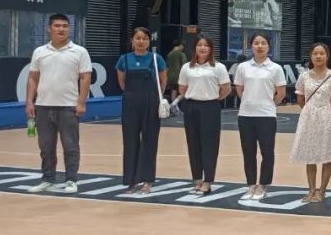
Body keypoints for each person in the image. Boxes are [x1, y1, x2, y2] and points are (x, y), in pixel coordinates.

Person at [24, 13, 91, 194]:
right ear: (49, 28)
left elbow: (85, 78)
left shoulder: (79, 51)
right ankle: (47, 179)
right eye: (57, 26)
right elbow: (33, 77)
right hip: (43, 106)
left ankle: (71, 180)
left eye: (65, 26)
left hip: (68, 106)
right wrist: (29, 101)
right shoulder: (40, 52)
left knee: (70, 146)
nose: (61, 29)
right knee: (45, 146)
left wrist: (81, 102)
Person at [233, 33, 286, 201]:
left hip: (266, 116)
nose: (260, 46)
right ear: (251, 46)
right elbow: (239, 89)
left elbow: (281, 93)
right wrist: (249, 102)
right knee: (248, 152)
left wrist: (268, 104)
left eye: (263, 43)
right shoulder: (243, 67)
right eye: (256, 43)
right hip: (246, 115)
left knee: (267, 152)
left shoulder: (275, 68)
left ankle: (263, 184)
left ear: (269, 46)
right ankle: (251, 185)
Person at [116, 27, 167, 194]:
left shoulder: (156, 59)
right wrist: (133, 95)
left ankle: (148, 180)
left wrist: (153, 98)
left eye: (145, 38)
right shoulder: (124, 59)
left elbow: (162, 82)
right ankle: (131, 181)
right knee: (130, 141)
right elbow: (122, 82)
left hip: (151, 103)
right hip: (130, 103)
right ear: (132, 40)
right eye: (137, 38)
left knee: (150, 142)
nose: (141, 41)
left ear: (149, 41)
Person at [177, 36, 230, 195]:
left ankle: (208, 180)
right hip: (191, 107)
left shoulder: (218, 67)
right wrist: (192, 99)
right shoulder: (187, 67)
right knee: (193, 144)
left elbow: (226, 89)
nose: (202, 48)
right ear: (194, 48)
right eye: (199, 45)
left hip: (210, 107)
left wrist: (214, 99)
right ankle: (197, 179)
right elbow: (182, 88)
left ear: (211, 48)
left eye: (205, 45)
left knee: (210, 145)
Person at [290, 43, 331, 203]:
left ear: (327, 56)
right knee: (310, 155)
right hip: (308, 118)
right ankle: (311, 189)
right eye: (315, 53)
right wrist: (310, 111)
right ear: (311, 56)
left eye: (322, 53)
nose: (318, 56)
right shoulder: (304, 76)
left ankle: (322, 191)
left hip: (326, 116)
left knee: (326, 155)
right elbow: (300, 98)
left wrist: (327, 114)